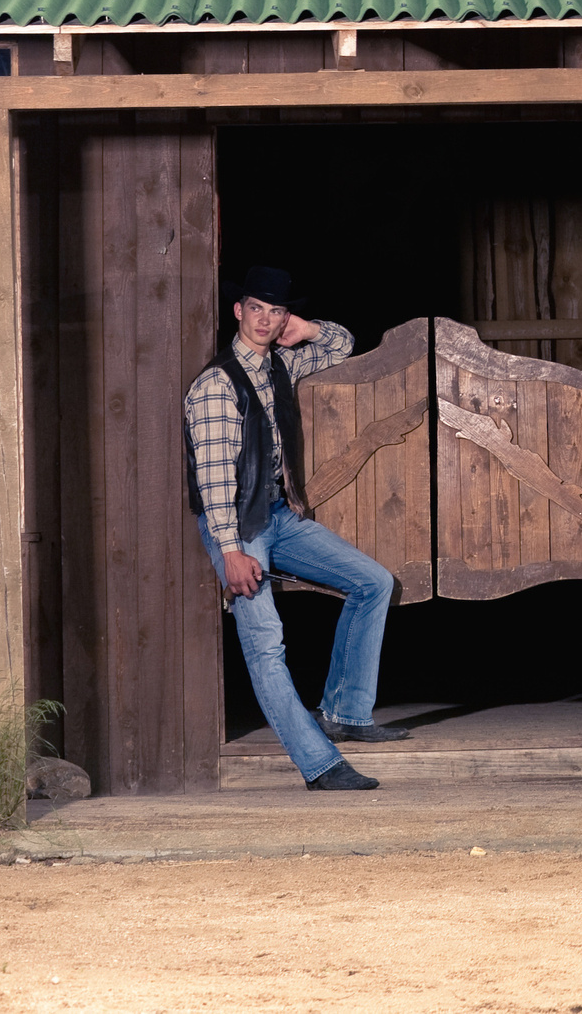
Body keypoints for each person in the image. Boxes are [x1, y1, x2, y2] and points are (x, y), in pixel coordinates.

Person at [184, 266, 409, 792]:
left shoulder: (280, 363)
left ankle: (346, 714)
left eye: (276, 311)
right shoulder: (217, 386)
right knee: (266, 643)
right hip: (238, 528)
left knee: (373, 582)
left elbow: (342, 344)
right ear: (237, 311)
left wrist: (306, 329)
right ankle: (320, 764)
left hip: (280, 517)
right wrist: (230, 551)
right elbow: (214, 480)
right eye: (256, 308)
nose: (265, 319)